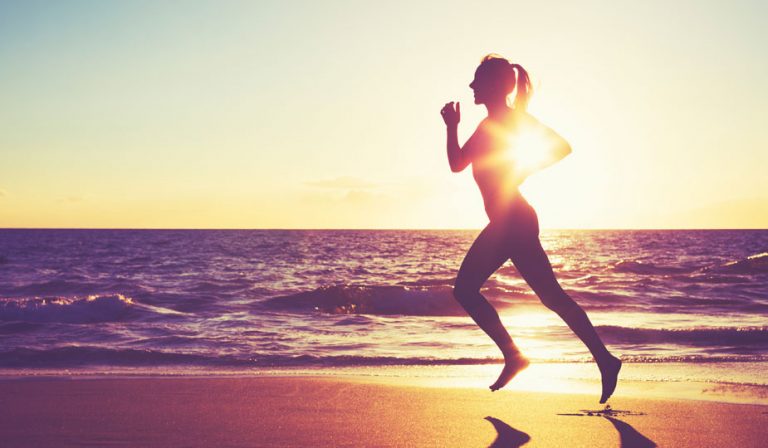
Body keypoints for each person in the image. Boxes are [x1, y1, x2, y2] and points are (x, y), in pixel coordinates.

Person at [440, 54, 621, 403]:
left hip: (513, 220)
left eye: (478, 80)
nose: (472, 86)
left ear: (495, 85)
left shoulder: (513, 120)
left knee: (465, 289)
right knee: (551, 297)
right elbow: (457, 164)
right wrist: (451, 126)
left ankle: (516, 356)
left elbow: (561, 147)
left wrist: (520, 172)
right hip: (510, 220)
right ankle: (604, 359)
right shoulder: (486, 126)